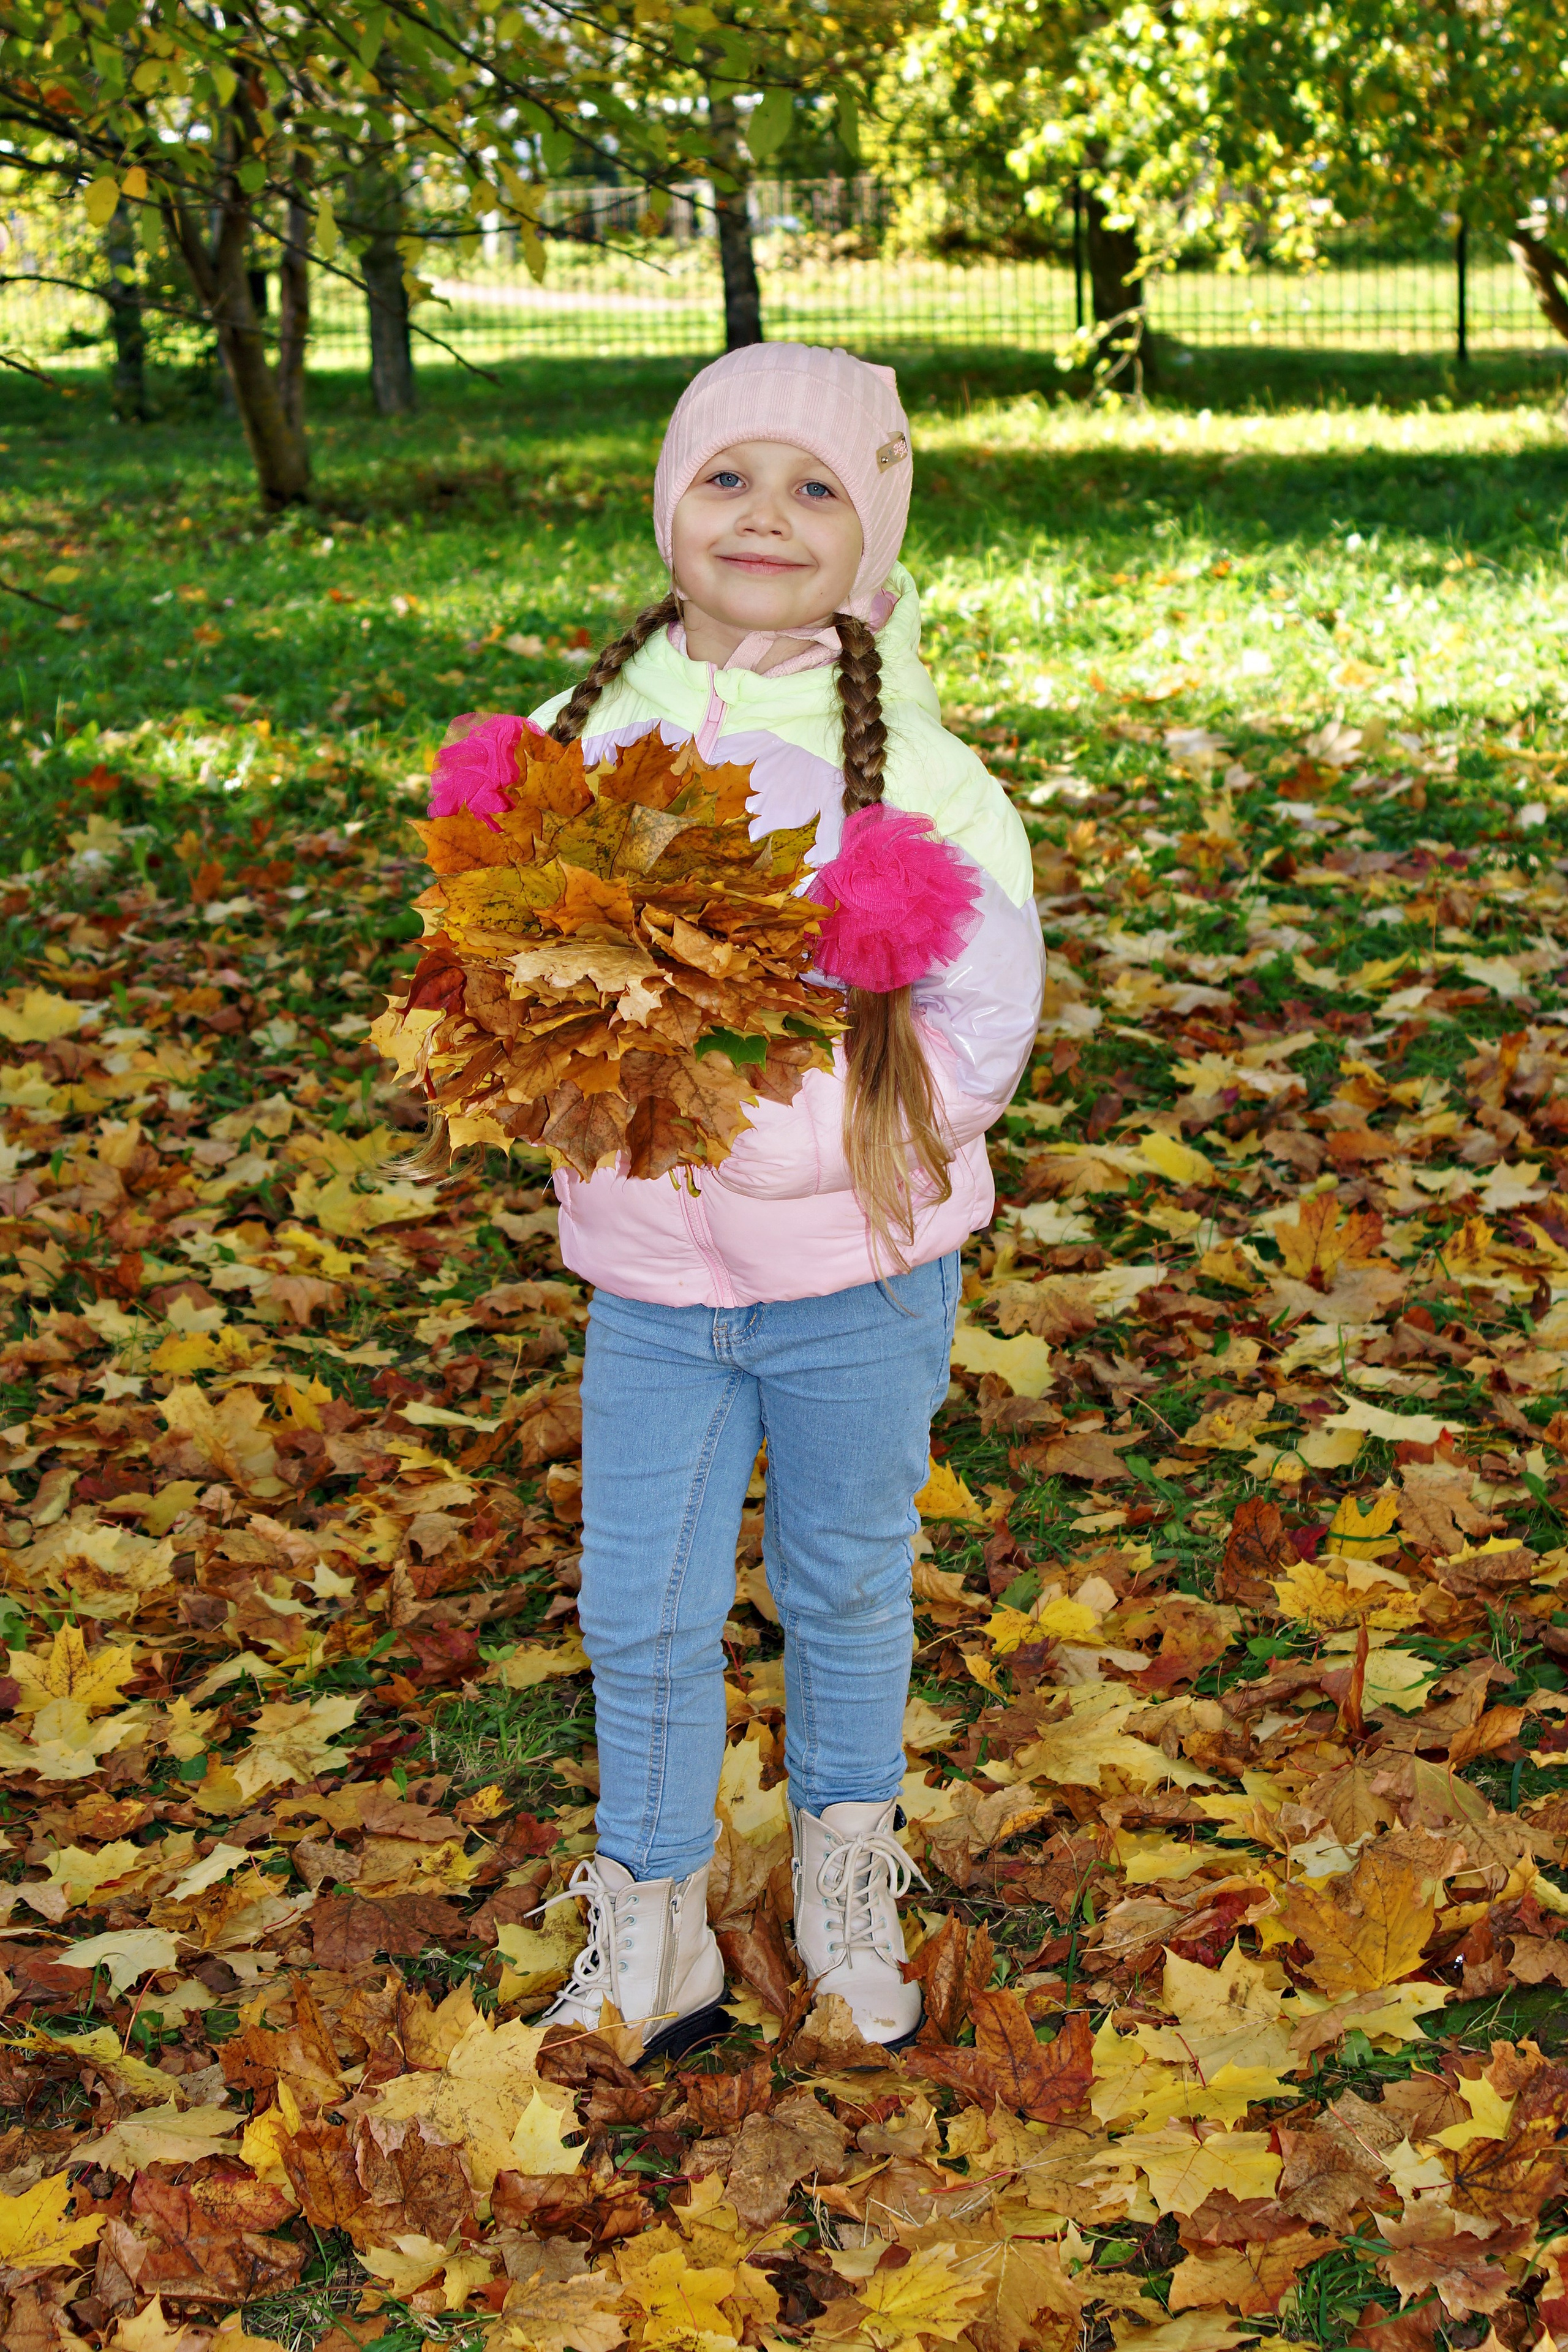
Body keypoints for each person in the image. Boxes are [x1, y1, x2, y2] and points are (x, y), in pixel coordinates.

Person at [524, 344, 1044, 2056]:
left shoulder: (928, 784)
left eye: (818, 485)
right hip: (651, 1282)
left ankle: (844, 1866)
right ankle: (655, 1914)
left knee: (841, 1580)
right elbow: (507, 963)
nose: (767, 515)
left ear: (876, 532)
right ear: (668, 503)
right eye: (729, 476)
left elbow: (984, 1013)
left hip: (856, 1279)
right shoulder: (582, 744)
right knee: (640, 1607)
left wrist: (851, 1140)